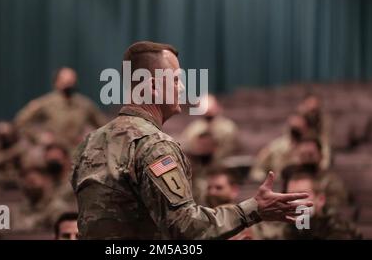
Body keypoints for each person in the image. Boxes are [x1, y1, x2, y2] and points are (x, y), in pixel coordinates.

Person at [71, 41, 311, 239]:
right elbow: (186, 228)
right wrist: (254, 208)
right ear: (153, 87)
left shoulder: (90, 142)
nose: (182, 88)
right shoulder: (153, 145)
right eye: (176, 80)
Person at [14, 67, 107, 149]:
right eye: (65, 81)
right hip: (53, 151)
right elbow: (21, 121)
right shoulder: (46, 103)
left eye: (72, 80)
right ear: (56, 82)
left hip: (76, 151)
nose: (69, 83)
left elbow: (104, 125)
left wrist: (92, 138)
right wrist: (38, 136)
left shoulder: (85, 104)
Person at [180, 94, 239, 204]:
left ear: (217, 107)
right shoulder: (193, 129)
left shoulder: (228, 127)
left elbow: (230, 148)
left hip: (220, 167)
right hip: (198, 168)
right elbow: (186, 147)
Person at [280, 167, 360, 239]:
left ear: (321, 200)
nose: (295, 201)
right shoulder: (290, 226)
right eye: (290, 196)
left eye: (301, 195)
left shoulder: (338, 227)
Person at [284, 138, 348, 210]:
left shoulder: (331, 182)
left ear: (321, 156)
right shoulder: (290, 179)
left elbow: (339, 207)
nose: (306, 159)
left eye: (310, 155)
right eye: (303, 155)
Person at [250, 113, 311, 182]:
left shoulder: (311, 147)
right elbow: (257, 170)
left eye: (299, 127)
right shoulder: (275, 147)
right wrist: (267, 179)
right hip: (279, 184)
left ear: (306, 127)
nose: (296, 131)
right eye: (294, 128)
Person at [12, 167, 69, 231]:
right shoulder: (21, 208)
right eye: (26, 183)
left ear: (46, 181)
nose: (29, 187)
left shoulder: (57, 207)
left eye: (32, 182)